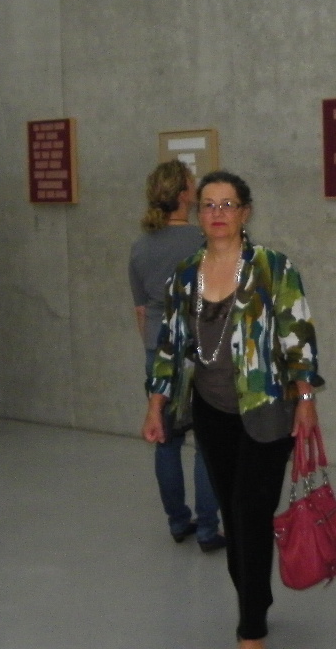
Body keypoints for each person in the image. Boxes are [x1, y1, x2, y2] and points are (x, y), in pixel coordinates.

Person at [142, 170, 321, 649]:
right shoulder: (184, 276)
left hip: (268, 409)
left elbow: (299, 339)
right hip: (211, 411)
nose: (217, 213)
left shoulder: (273, 268)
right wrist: (156, 405)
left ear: (245, 212)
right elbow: (168, 347)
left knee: (250, 512)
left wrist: (306, 400)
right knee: (232, 512)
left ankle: (251, 628)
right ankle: (254, 597)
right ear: (197, 213)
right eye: (208, 205)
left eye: (227, 205)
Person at [128, 159, 223, 552]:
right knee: (207, 443)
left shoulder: (140, 246)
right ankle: (208, 528)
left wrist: (154, 349)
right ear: (185, 194)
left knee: (165, 440)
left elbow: (140, 309)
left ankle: (178, 521)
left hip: (158, 350)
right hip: (200, 352)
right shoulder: (203, 241)